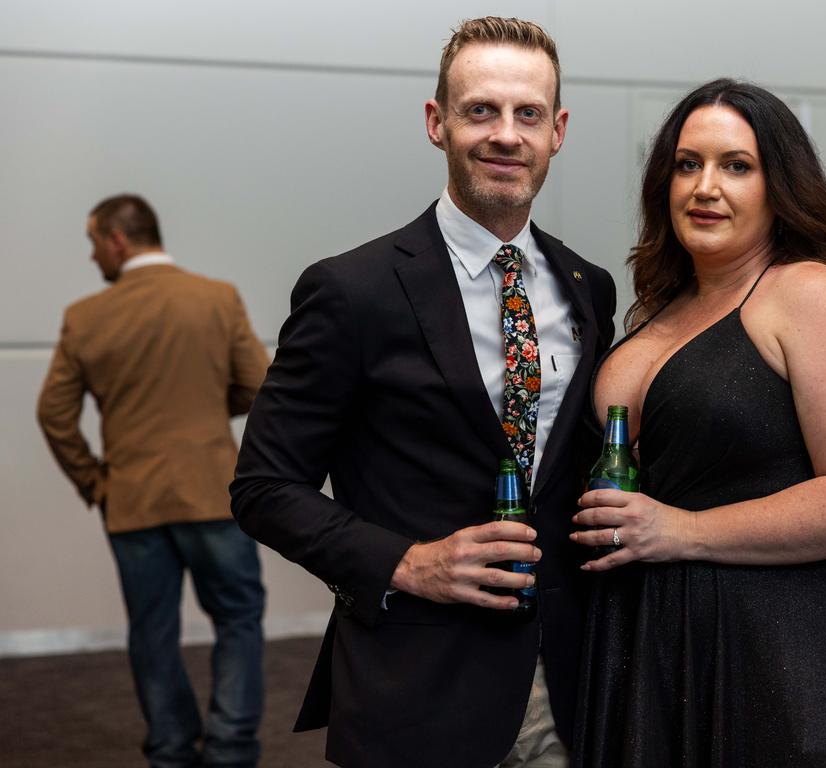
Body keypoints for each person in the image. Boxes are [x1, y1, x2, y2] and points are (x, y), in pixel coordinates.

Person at [229, 16, 616, 768]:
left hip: (571, 684)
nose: (506, 134)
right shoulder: (352, 291)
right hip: (417, 689)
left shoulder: (586, 287)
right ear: (437, 122)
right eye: (480, 110)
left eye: (527, 113)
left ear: (558, 130)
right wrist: (408, 562)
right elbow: (264, 488)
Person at [569, 79, 826, 766]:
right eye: (687, 163)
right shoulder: (658, 308)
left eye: (737, 165)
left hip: (782, 651)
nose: (705, 186)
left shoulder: (807, 292)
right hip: (652, 638)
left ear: (779, 186)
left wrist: (684, 530)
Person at [37, 194, 269, 768]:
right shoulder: (216, 299)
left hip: (132, 502)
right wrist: (212, 409)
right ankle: (231, 748)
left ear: (117, 239)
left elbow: (54, 415)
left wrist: (95, 483)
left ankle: (170, 751)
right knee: (238, 620)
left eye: (94, 243)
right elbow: (260, 387)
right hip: (214, 492)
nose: (93, 258)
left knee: (152, 631)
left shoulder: (85, 317)